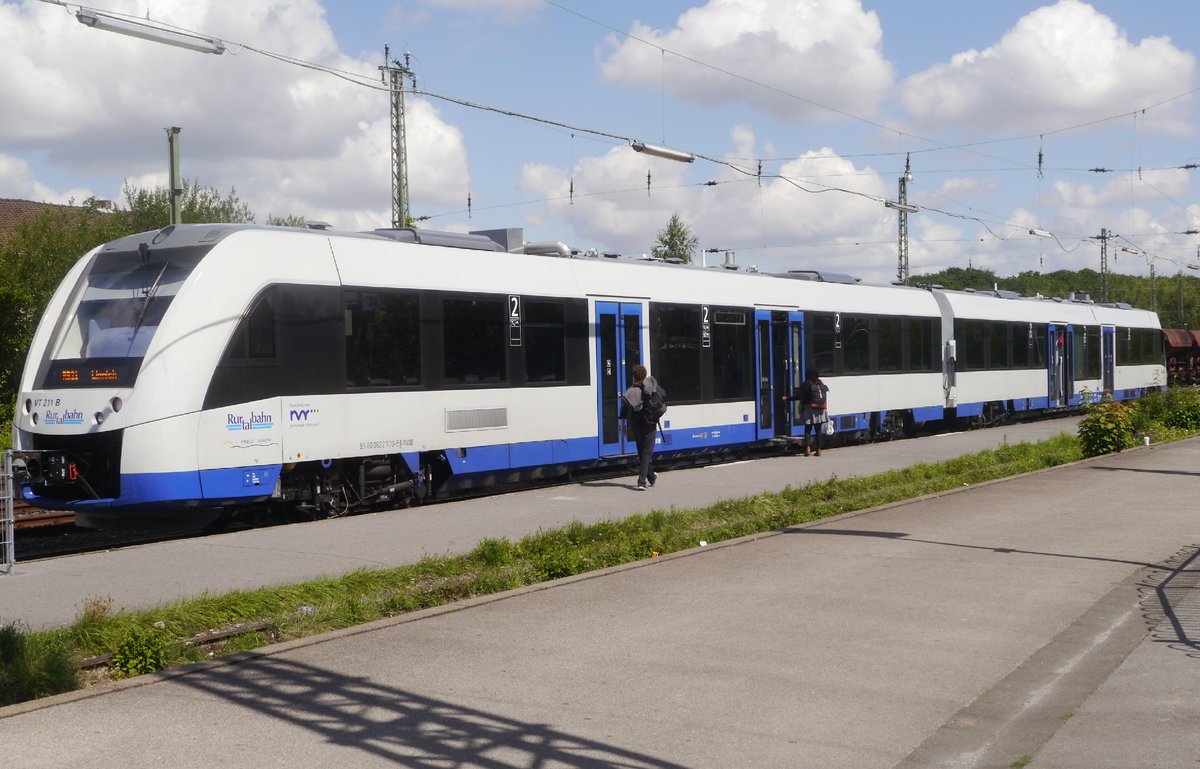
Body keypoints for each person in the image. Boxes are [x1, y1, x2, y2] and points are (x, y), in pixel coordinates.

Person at [621, 364, 661, 490]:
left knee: (643, 453)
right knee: (647, 453)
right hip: (650, 424)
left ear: (634, 377)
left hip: (636, 425)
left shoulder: (629, 392)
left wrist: (622, 425)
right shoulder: (651, 386)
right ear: (644, 375)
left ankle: (652, 477)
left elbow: (624, 409)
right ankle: (641, 482)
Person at [798, 368, 830, 457]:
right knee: (818, 430)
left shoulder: (806, 384)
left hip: (809, 408)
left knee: (808, 429)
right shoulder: (820, 383)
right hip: (820, 409)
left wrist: (787, 398)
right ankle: (819, 450)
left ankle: (807, 449)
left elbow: (799, 396)